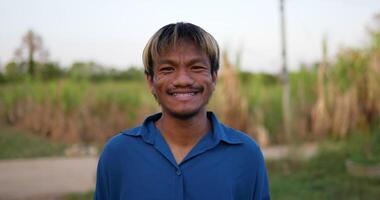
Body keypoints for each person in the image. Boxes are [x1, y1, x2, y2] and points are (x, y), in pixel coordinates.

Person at [94, 22, 270, 200]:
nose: (183, 80)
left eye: (196, 67)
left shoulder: (246, 155)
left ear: (214, 78)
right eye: (168, 69)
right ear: (150, 81)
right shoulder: (118, 154)